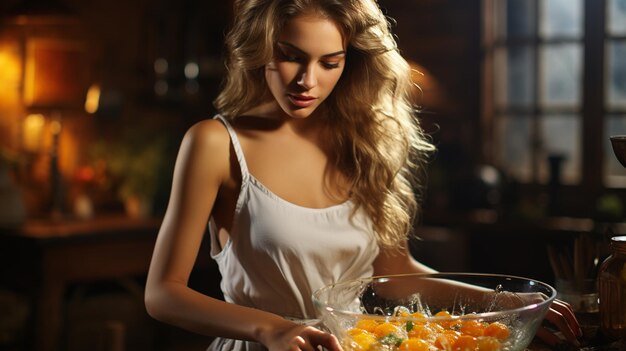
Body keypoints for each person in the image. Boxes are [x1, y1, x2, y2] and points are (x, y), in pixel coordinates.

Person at [145, 1, 581, 350]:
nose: (306, 80)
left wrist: (507, 305)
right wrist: (271, 330)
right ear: (260, 51)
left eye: (329, 63)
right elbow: (162, 294)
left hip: (355, 345)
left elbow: (396, 274)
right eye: (290, 57)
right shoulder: (215, 144)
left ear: (349, 63)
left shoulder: (364, 145)